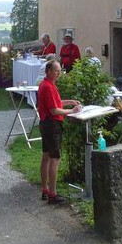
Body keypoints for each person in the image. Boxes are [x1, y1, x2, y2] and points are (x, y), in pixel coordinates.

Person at [37, 60, 81, 205]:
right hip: (52, 125)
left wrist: (70, 102)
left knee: (46, 157)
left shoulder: (47, 85)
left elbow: (56, 103)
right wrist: (72, 111)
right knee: (54, 158)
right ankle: (52, 194)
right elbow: (54, 110)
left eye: (59, 70)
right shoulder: (48, 87)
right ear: (49, 71)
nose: (59, 73)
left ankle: (45, 189)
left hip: (45, 124)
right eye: (57, 70)